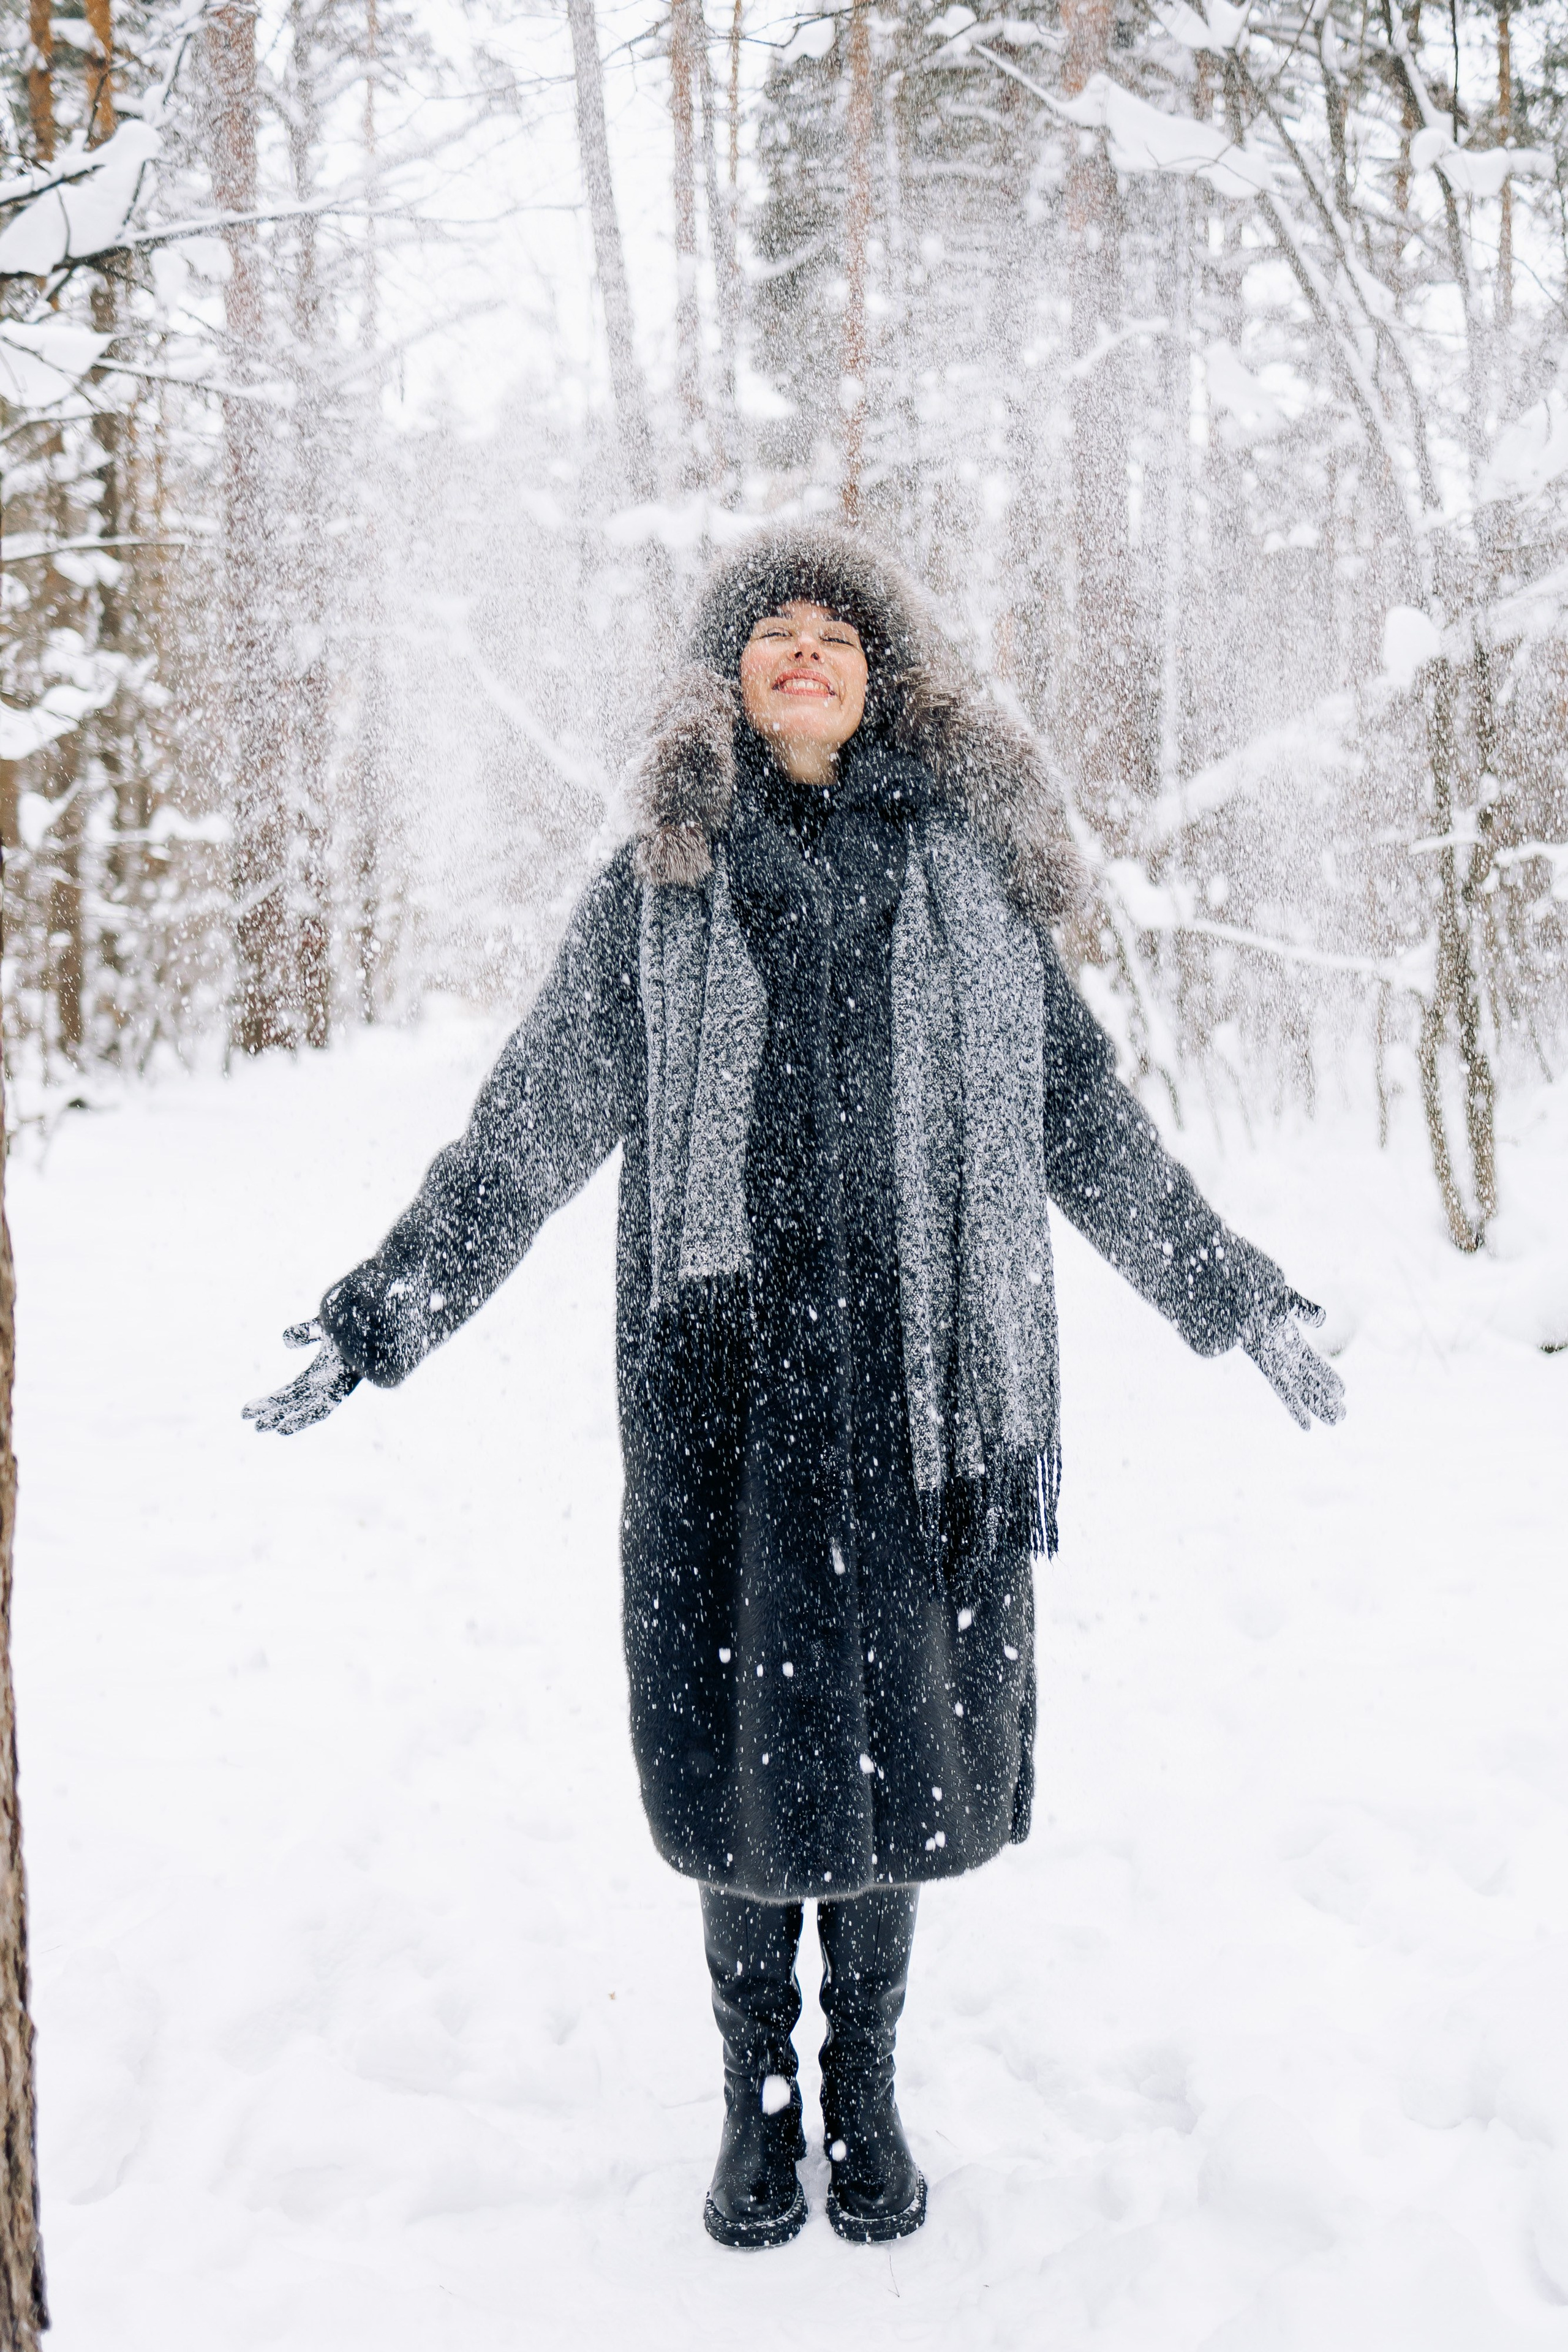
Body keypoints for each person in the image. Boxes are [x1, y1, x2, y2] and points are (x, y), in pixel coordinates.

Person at [245, 526, 1344, 2252]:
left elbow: (1089, 1131)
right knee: (743, 1767)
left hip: (925, 1406)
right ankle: (757, 2089)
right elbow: (522, 1135)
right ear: (731, 682)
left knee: (904, 1757)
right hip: (724, 1404)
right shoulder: (657, 897)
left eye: (839, 629)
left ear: (885, 675)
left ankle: (869, 2084)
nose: (807, 649)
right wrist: (379, 1316)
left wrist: (1240, 1296)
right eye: (774, 632)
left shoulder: (972, 892)